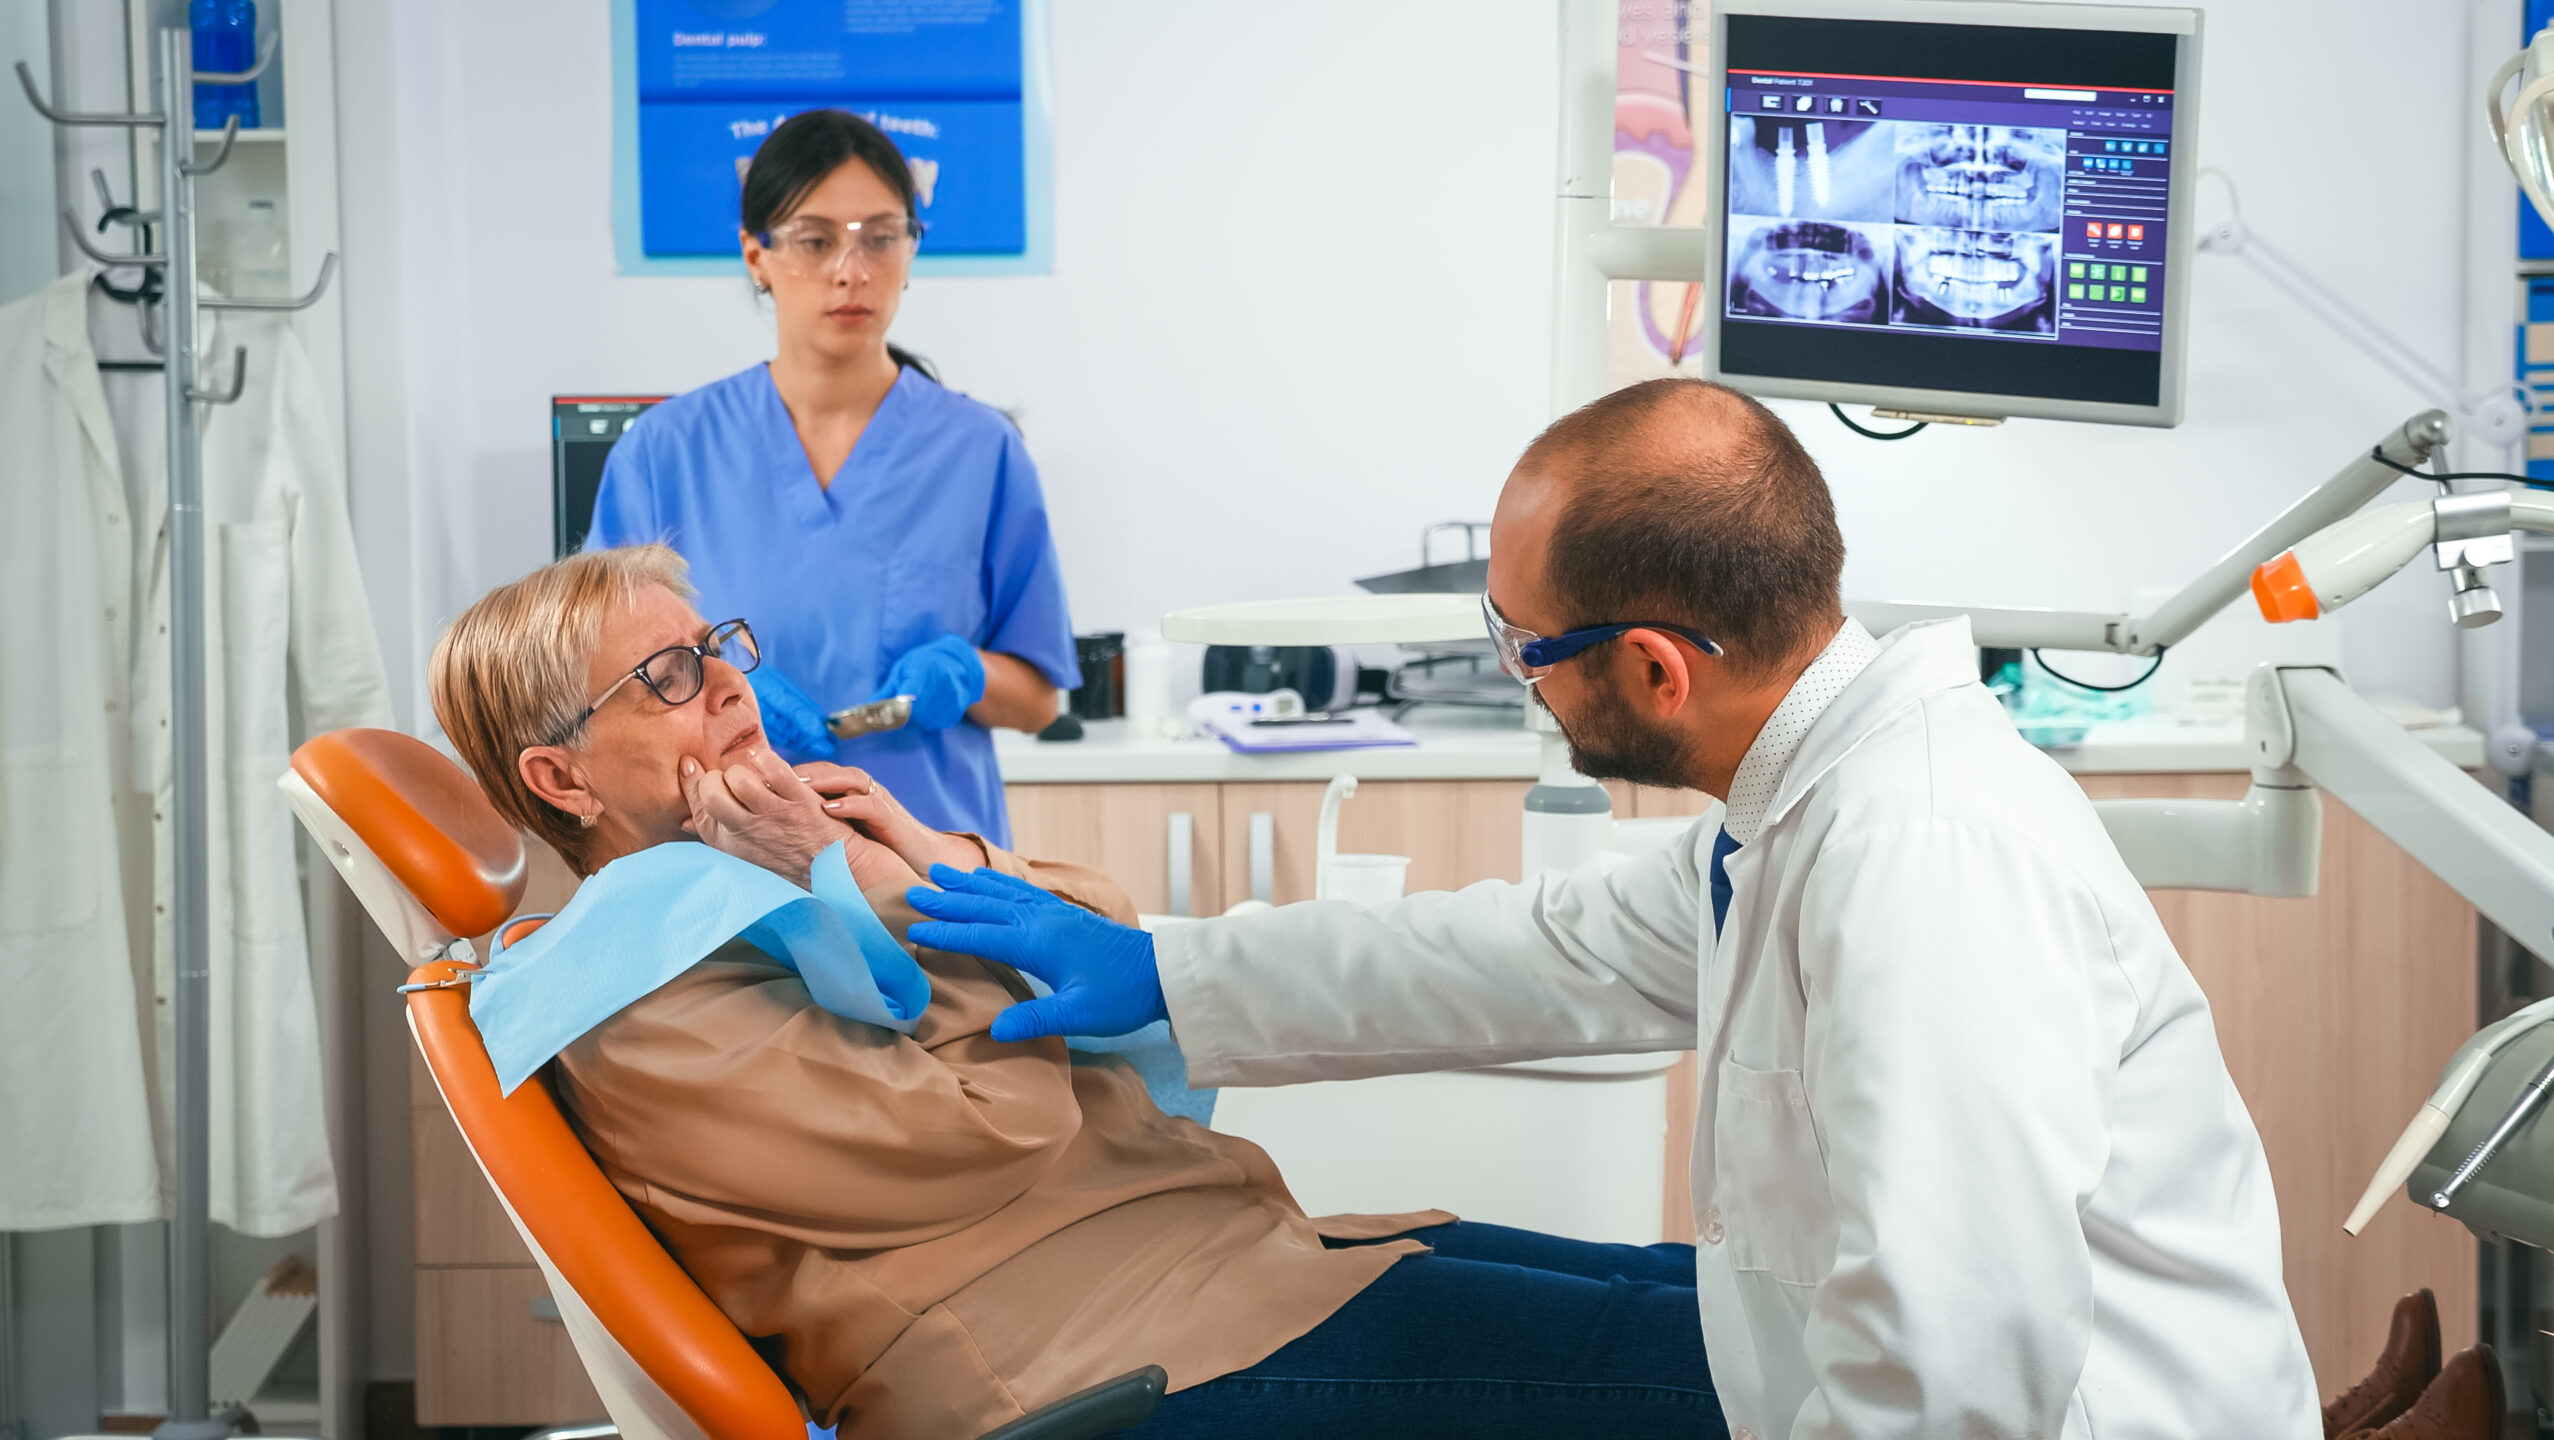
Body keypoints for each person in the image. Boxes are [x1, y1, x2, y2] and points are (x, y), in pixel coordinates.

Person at [909, 378, 2329, 1438]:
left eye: (1525, 647)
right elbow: (1538, 952)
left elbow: (1955, 1374)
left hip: (2067, 1413)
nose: (1518, 673)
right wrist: (1169, 967)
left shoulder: (1922, 857)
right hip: (1813, 1342)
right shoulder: (1804, 799)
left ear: (1655, 670)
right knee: (1430, 1262)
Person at [427, 543, 1726, 1440]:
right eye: (663, 677)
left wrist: (933, 861)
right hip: (1092, 1370)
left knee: (1716, 1301)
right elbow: (982, 1135)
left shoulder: (777, 863)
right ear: (562, 781)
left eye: (713, 645)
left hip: (1225, 1260)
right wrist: (866, 891)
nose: (724, 682)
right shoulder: (630, 997)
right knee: (1728, 1382)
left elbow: (1114, 953)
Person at [584, 109, 1074, 847]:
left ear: (911, 250)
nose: (852, 269)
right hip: (728, 869)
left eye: (881, 237)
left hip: (933, 872)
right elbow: (597, 692)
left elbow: (1039, 700)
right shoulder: (663, 453)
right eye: (815, 241)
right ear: (756, 254)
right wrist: (714, 688)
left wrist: (969, 673)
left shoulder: (981, 451)